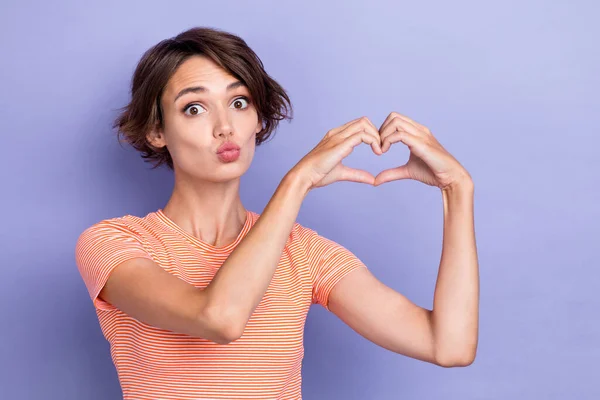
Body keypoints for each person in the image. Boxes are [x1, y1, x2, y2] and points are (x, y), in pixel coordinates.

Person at [75, 26, 479, 399]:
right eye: (194, 108)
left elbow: (449, 345)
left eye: (238, 102)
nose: (224, 127)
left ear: (257, 118)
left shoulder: (304, 253)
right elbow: (219, 319)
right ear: (156, 131)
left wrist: (457, 191)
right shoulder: (114, 243)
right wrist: (297, 182)